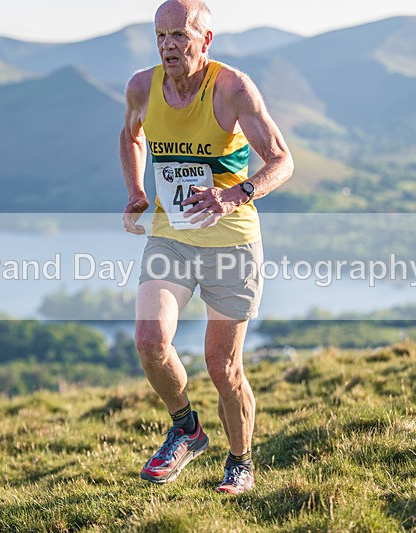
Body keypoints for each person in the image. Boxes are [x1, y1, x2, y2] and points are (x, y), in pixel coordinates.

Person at [119, 0, 293, 495]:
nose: (168, 46)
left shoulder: (232, 88)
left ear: (206, 38)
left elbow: (282, 160)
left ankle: (240, 462)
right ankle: (186, 428)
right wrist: (136, 192)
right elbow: (130, 137)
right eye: (161, 36)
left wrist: (235, 194)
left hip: (231, 243)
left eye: (179, 35)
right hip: (171, 236)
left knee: (223, 367)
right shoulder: (141, 87)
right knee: (150, 341)